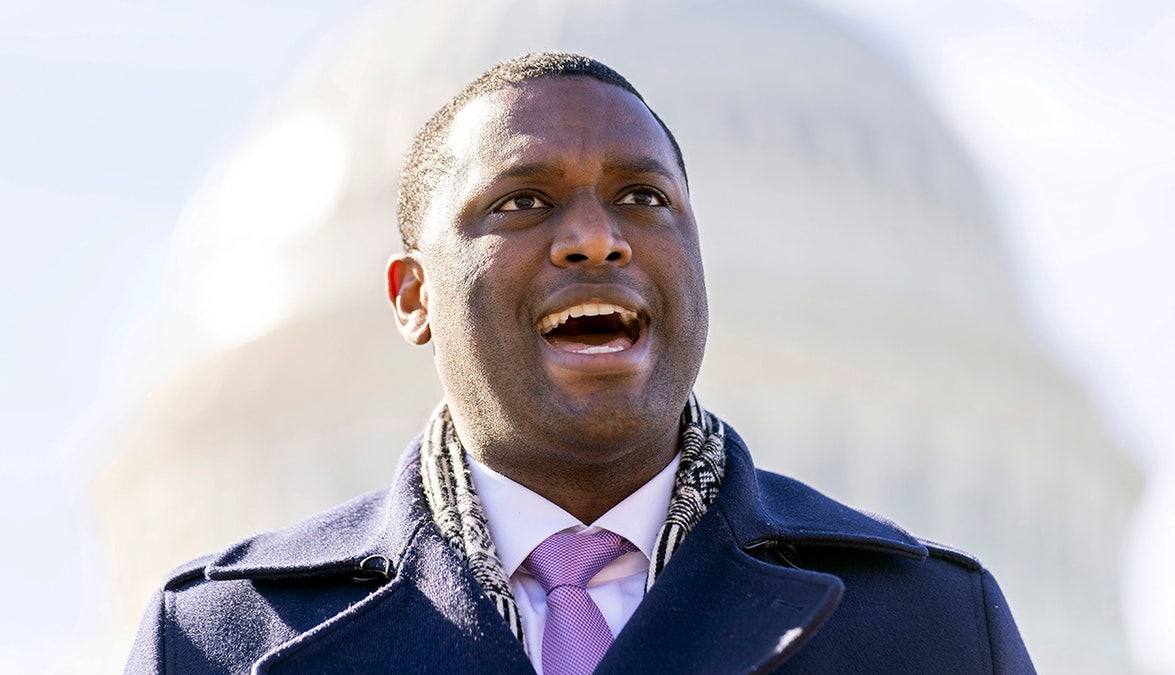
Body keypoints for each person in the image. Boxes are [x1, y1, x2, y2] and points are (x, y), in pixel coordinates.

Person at [125, 52, 1035, 674]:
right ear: (413, 297)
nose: (596, 239)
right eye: (523, 200)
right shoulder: (219, 643)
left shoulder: (932, 628)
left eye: (643, 197)